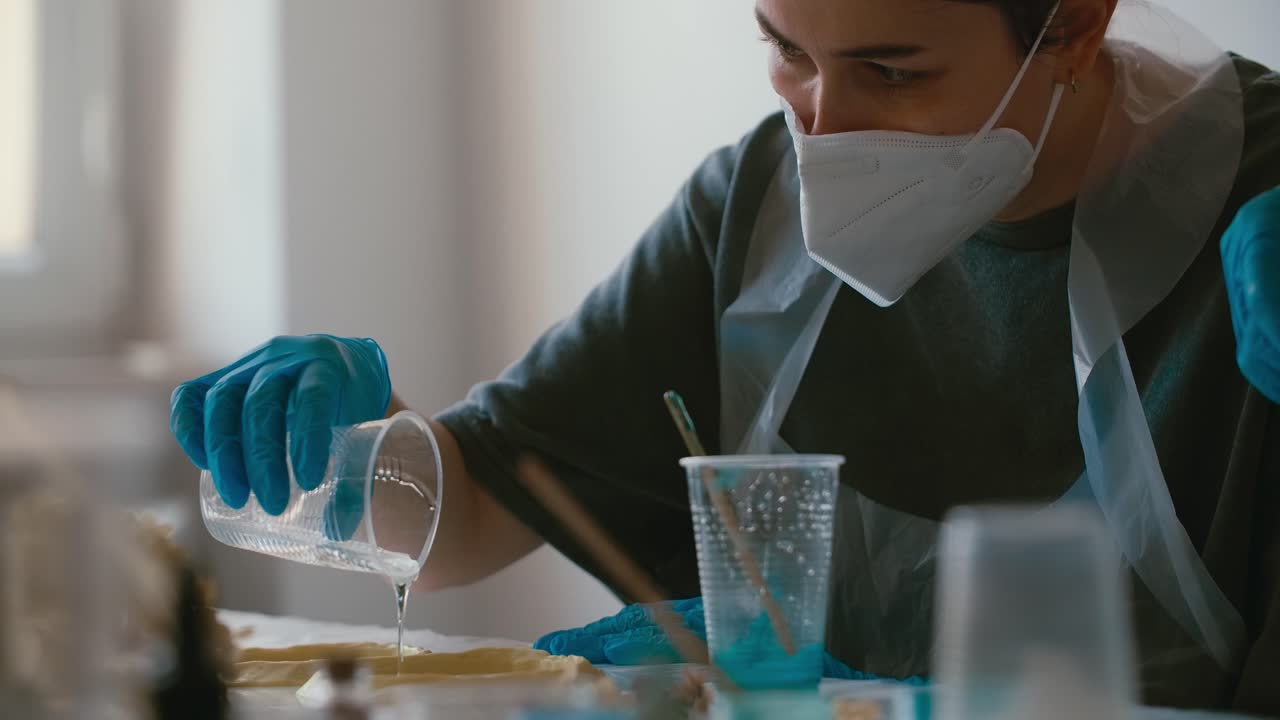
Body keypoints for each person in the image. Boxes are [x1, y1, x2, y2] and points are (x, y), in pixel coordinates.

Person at [170, 0, 1280, 713]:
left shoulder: (1257, 206)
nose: (822, 129)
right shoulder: (749, 208)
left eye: (892, 74)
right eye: (787, 52)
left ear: (1073, 22)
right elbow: (469, 516)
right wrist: (363, 452)